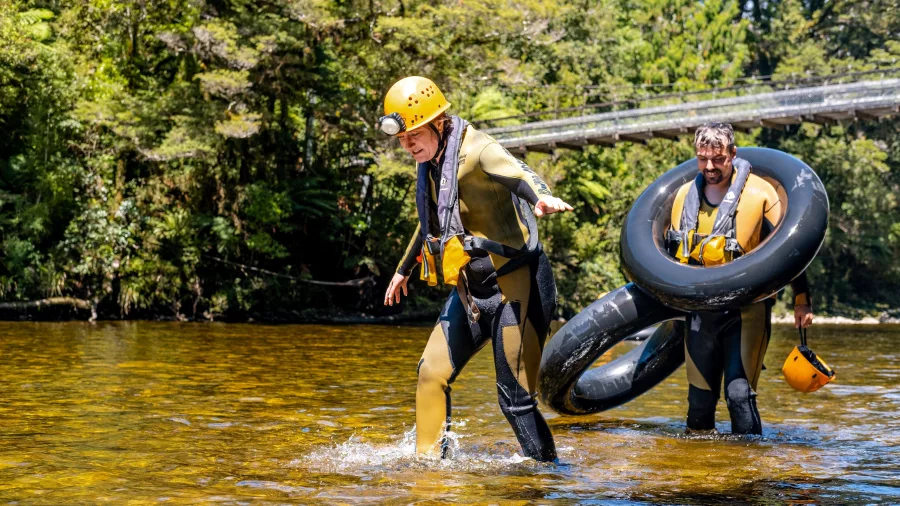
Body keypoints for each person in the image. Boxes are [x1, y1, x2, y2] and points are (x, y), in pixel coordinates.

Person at [379, 76, 573, 461]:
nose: (408, 144)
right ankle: (429, 475)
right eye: (402, 139)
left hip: (519, 286)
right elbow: (430, 219)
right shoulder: (432, 164)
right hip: (471, 291)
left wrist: (542, 198)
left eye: (414, 134)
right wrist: (403, 269)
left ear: (438, 123)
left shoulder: (478, 149)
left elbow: (519, 173)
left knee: (515, 399)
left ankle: (546, 481)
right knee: (430, 374)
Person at [666, 122, 814, 435]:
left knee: (739, 397)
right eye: (703, 158)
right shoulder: (682, 196)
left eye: (718, 159)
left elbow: (791, 252)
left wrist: (802, 300)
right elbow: (667, 257)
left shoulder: (761, 194)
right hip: (700, 313)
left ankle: (748, 476)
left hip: (747, 311)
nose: (709, 166)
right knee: (699, 403)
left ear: (733, 154)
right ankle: (699, 476)